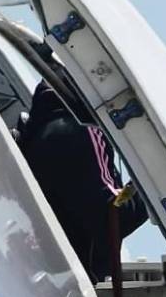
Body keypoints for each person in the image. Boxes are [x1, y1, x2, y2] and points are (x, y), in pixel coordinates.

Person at [18, 78, 147, 282]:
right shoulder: (82, 132)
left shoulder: (39, 137)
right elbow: (113, 216)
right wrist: (148, 187)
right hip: (72, 287)